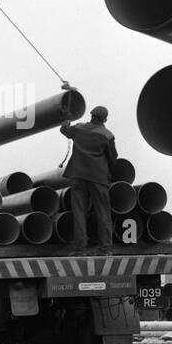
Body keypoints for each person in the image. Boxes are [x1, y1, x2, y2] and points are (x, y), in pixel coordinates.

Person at [60, 105, 119, 252]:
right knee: (103, 212)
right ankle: (105, 247)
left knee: (79, 212)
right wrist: (110, 174)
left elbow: (65, 130)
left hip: (78, 176)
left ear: (91, 116)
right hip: (98, 178)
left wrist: (66, 120)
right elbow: (113, 158)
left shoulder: (79, 129)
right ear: (105, 119)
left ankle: (80, 247)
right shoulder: (107, 135)